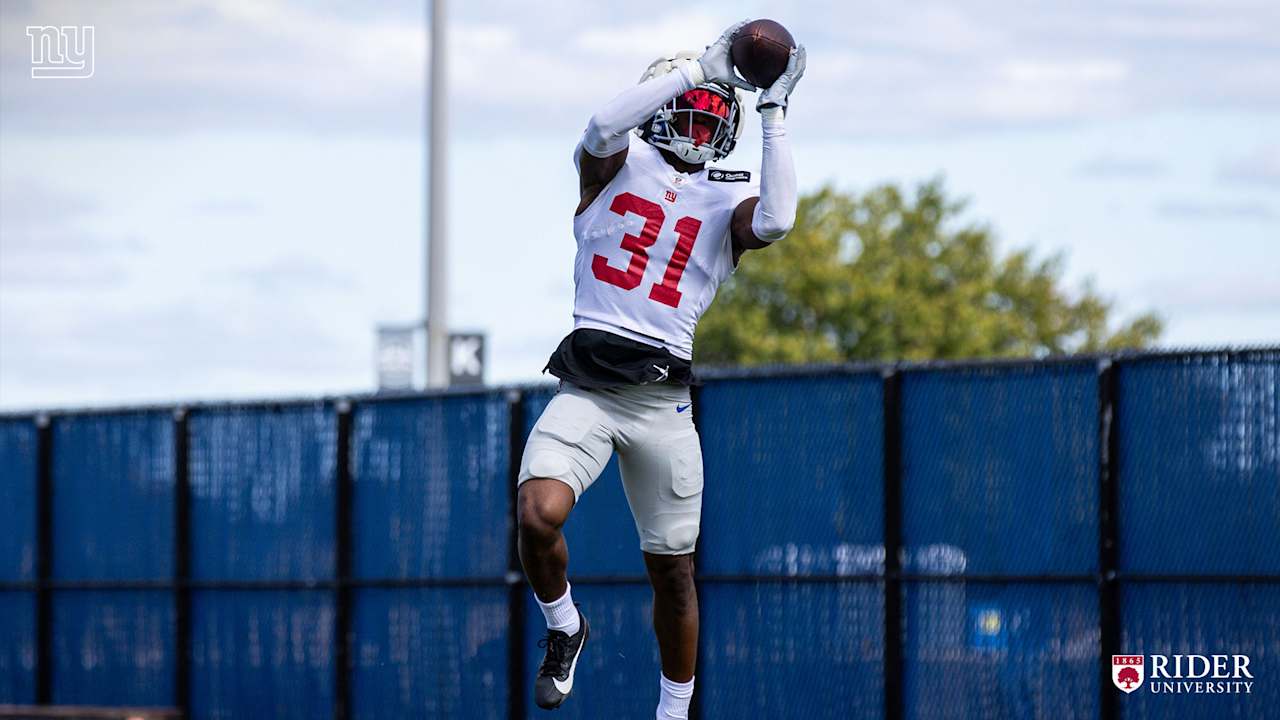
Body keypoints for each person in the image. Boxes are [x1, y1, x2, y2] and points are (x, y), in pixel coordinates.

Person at [515, 19, 804, 719]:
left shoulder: (725, 200)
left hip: (661, 403)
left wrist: (773, 112)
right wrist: (700, 68)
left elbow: (779, 218)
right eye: (690, 111)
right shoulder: (614, 165)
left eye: (714, 121)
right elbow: (600, 123)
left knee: (674, 576)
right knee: (536, 514)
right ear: (661, 107)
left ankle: (673, 713)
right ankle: (565, 627)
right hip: (588, 386)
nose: (702, 131)